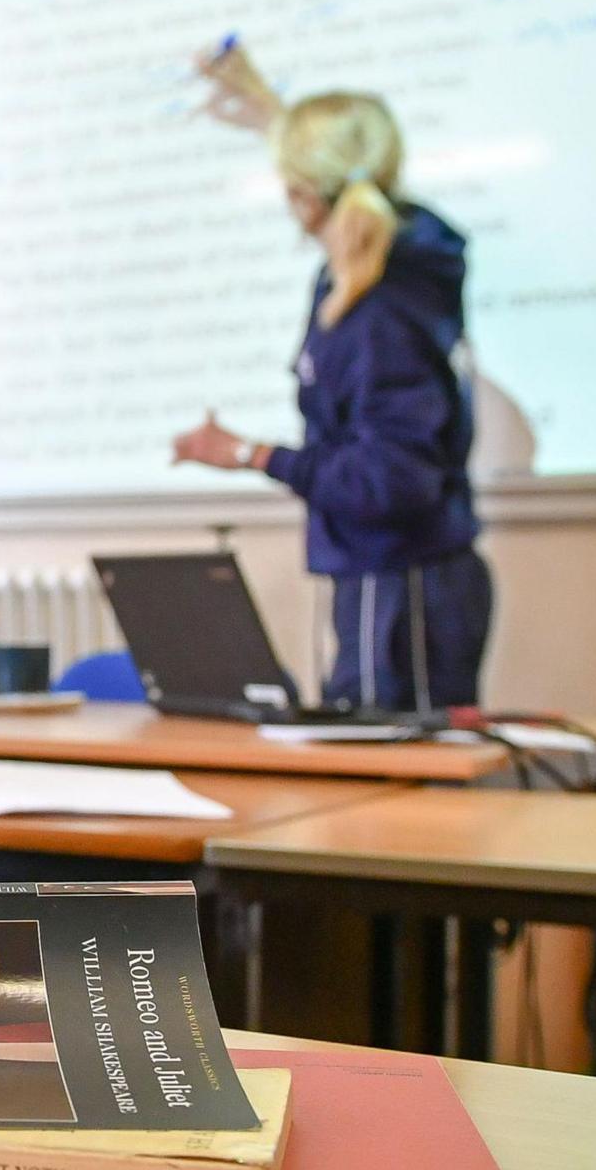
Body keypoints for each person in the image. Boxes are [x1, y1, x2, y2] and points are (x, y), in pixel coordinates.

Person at [173, 48, 492, 709]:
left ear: (304, 194)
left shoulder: (379, 310)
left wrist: (250, 454)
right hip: (390, 577)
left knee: (391, 793)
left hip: (401, 587)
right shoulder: (392, 269)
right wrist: (264, 105)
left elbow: (390, 481)